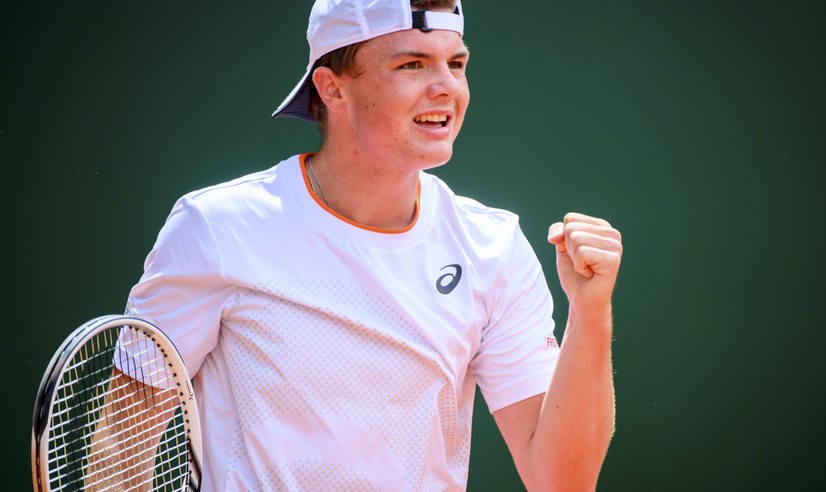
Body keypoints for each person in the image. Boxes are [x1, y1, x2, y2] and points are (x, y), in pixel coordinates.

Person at [120, 0, 623, 490]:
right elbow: (120, 454)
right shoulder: (215, 228)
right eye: (412, 64)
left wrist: (591, 314)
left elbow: (562, 481)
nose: (446, 87)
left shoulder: (495, 248)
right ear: (332, 89)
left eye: (456, 63)